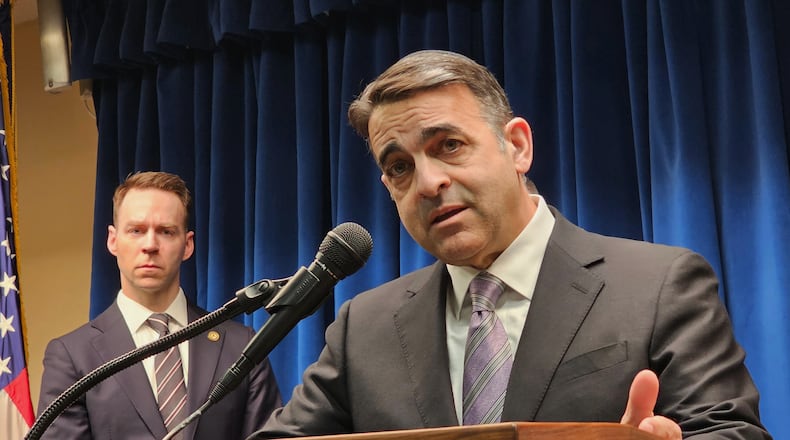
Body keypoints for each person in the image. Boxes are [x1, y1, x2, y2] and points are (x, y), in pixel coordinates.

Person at [248, 50, 773, 440]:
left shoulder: (659, 285)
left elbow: (733, 431)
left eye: (448, 146)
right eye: (399, 167)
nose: (428, 183)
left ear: (517, 146)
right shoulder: (364, 326)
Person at [38, 171, 282, 439]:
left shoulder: (241, 346)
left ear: (187, 245)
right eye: (136, 231)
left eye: (166, 232)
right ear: (113, 240)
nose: (150, 245)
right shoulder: (72, 356)